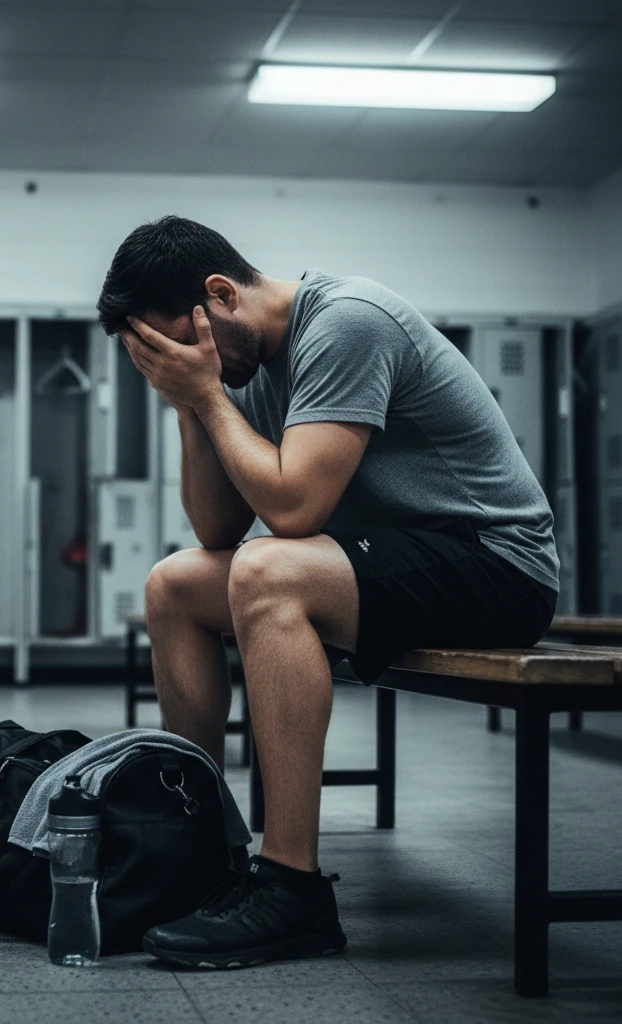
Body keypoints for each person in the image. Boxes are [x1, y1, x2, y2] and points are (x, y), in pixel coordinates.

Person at [96, 216, 559, 969]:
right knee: (175, 585)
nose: (175, 365)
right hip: (394, 562)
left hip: (496, 562)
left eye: (176, 345)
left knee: (267, 571)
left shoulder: (346, 323)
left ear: (221, 295)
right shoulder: (243, 368)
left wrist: (209, 398)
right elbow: (217, 528)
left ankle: (291, 889)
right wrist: (191, 404)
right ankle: (201, 853)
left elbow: (293, 512)